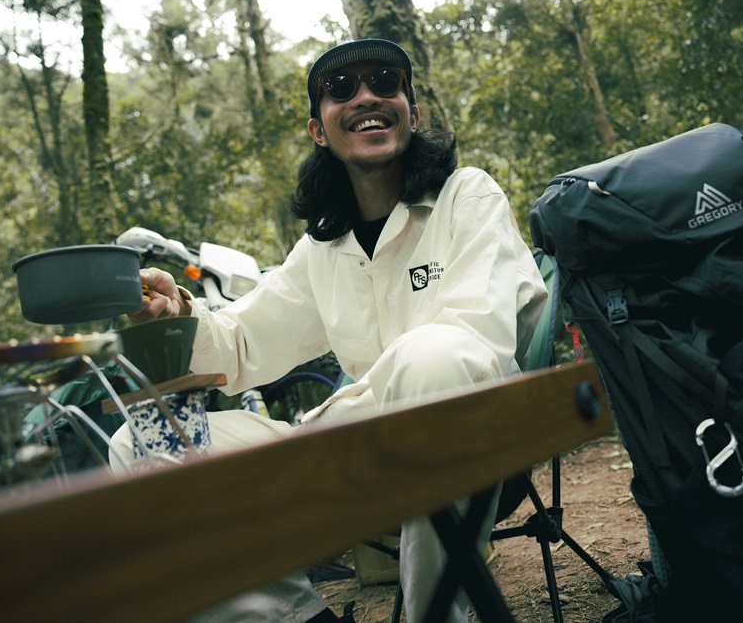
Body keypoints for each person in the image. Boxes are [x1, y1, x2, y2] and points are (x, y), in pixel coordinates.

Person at [110, 38, 547, 623]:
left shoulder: (465, 196)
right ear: (319, 130)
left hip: (476, 443)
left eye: (385, 82)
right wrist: (178, 314)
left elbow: (477, 341)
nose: (366, 96)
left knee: (435, 355)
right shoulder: (324, 247)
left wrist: (337, 420)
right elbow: (240, 346)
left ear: (412, 114)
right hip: (350, 455)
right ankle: (295, 617)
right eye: (341, 89)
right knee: (144, 440)